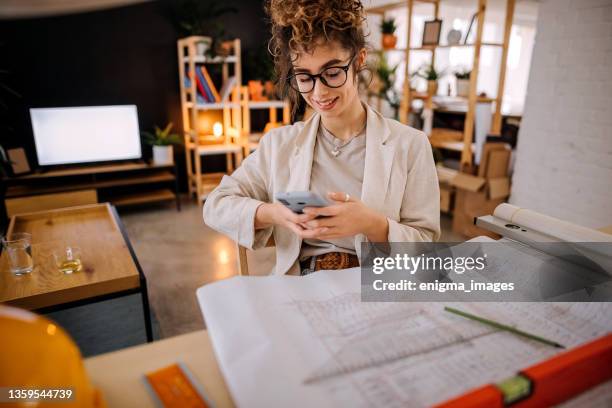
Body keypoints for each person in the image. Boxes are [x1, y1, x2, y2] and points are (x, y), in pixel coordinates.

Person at [203, 0, 440, 275]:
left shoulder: (410, 145)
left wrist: (373, 224)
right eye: (305, 77)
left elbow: (427, 247)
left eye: (332, 73)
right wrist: (274, 213)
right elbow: (216, 205)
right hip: (303, 283)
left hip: (376, 282)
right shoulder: (279, 145)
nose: (319, 93)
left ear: (359, 61)